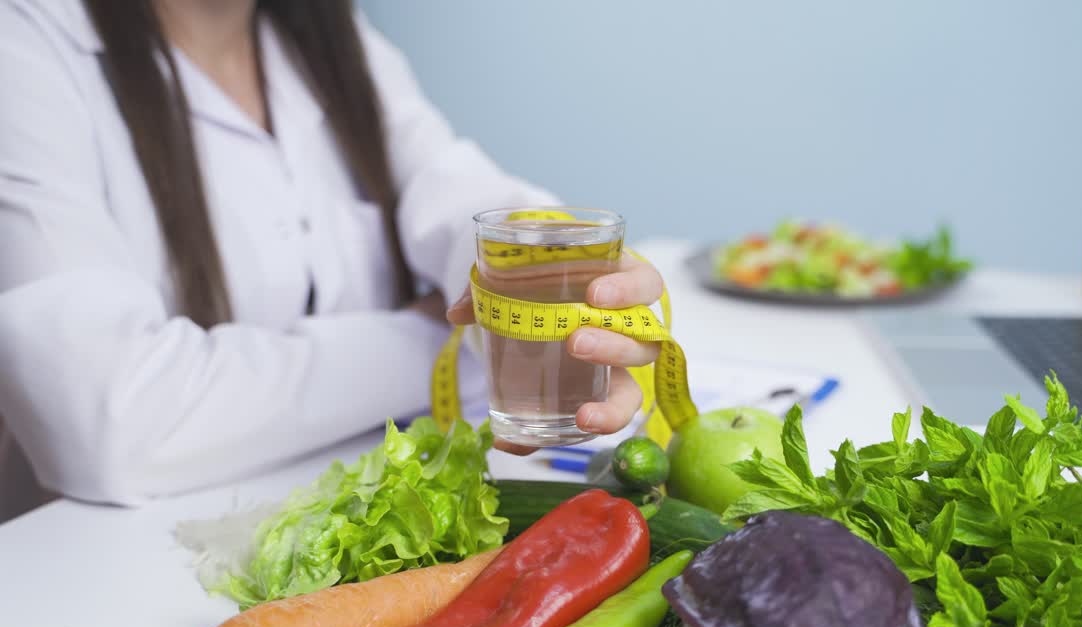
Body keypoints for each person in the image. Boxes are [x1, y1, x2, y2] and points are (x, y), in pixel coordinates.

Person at [0, 0, 663, 521]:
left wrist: (558, 279)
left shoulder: (333, 39)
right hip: (93, 580)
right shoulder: (25, 48)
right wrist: (444, 337)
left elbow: (457, 192)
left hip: (313, 525)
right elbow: (110, 421)